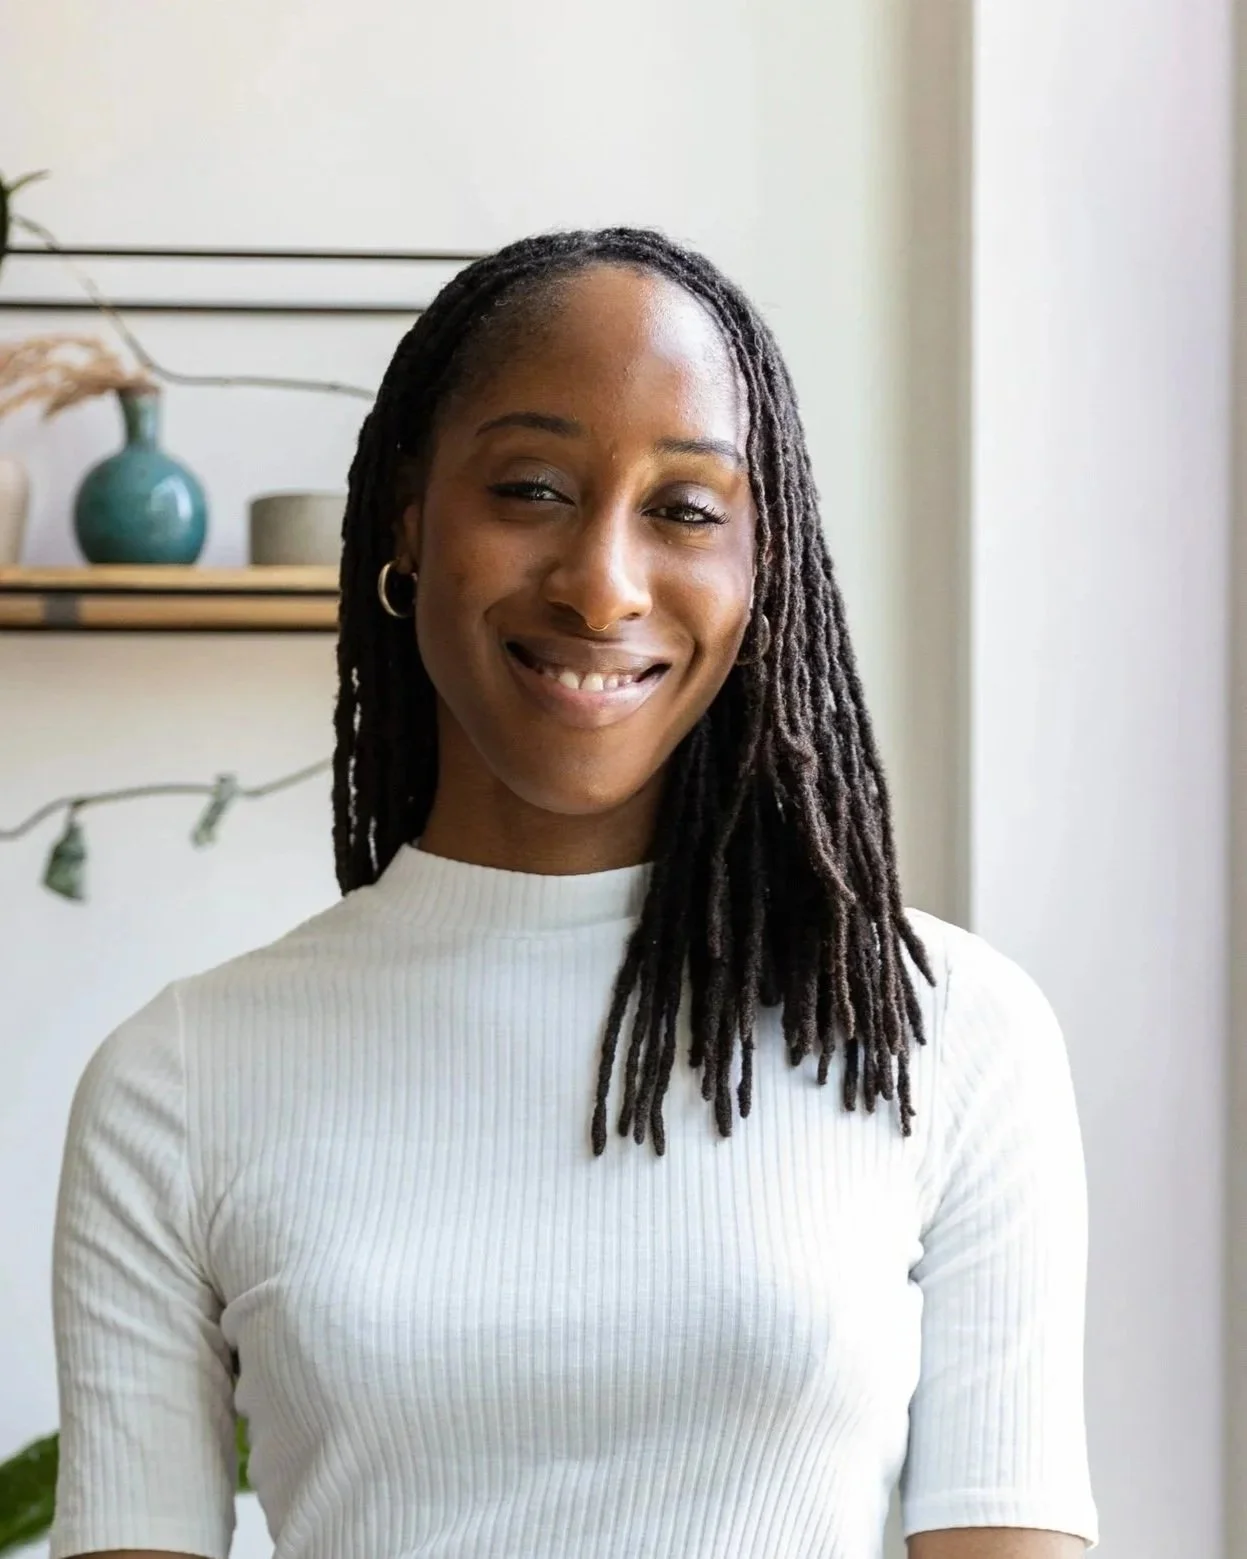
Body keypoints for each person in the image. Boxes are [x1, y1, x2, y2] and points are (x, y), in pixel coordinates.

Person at [47, 228, 1098, 1559]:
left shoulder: (949, 1036)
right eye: (533, 487)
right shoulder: (179, 1078)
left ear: (758, 572)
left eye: (685, 507)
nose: (602, 583)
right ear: (407, 523)